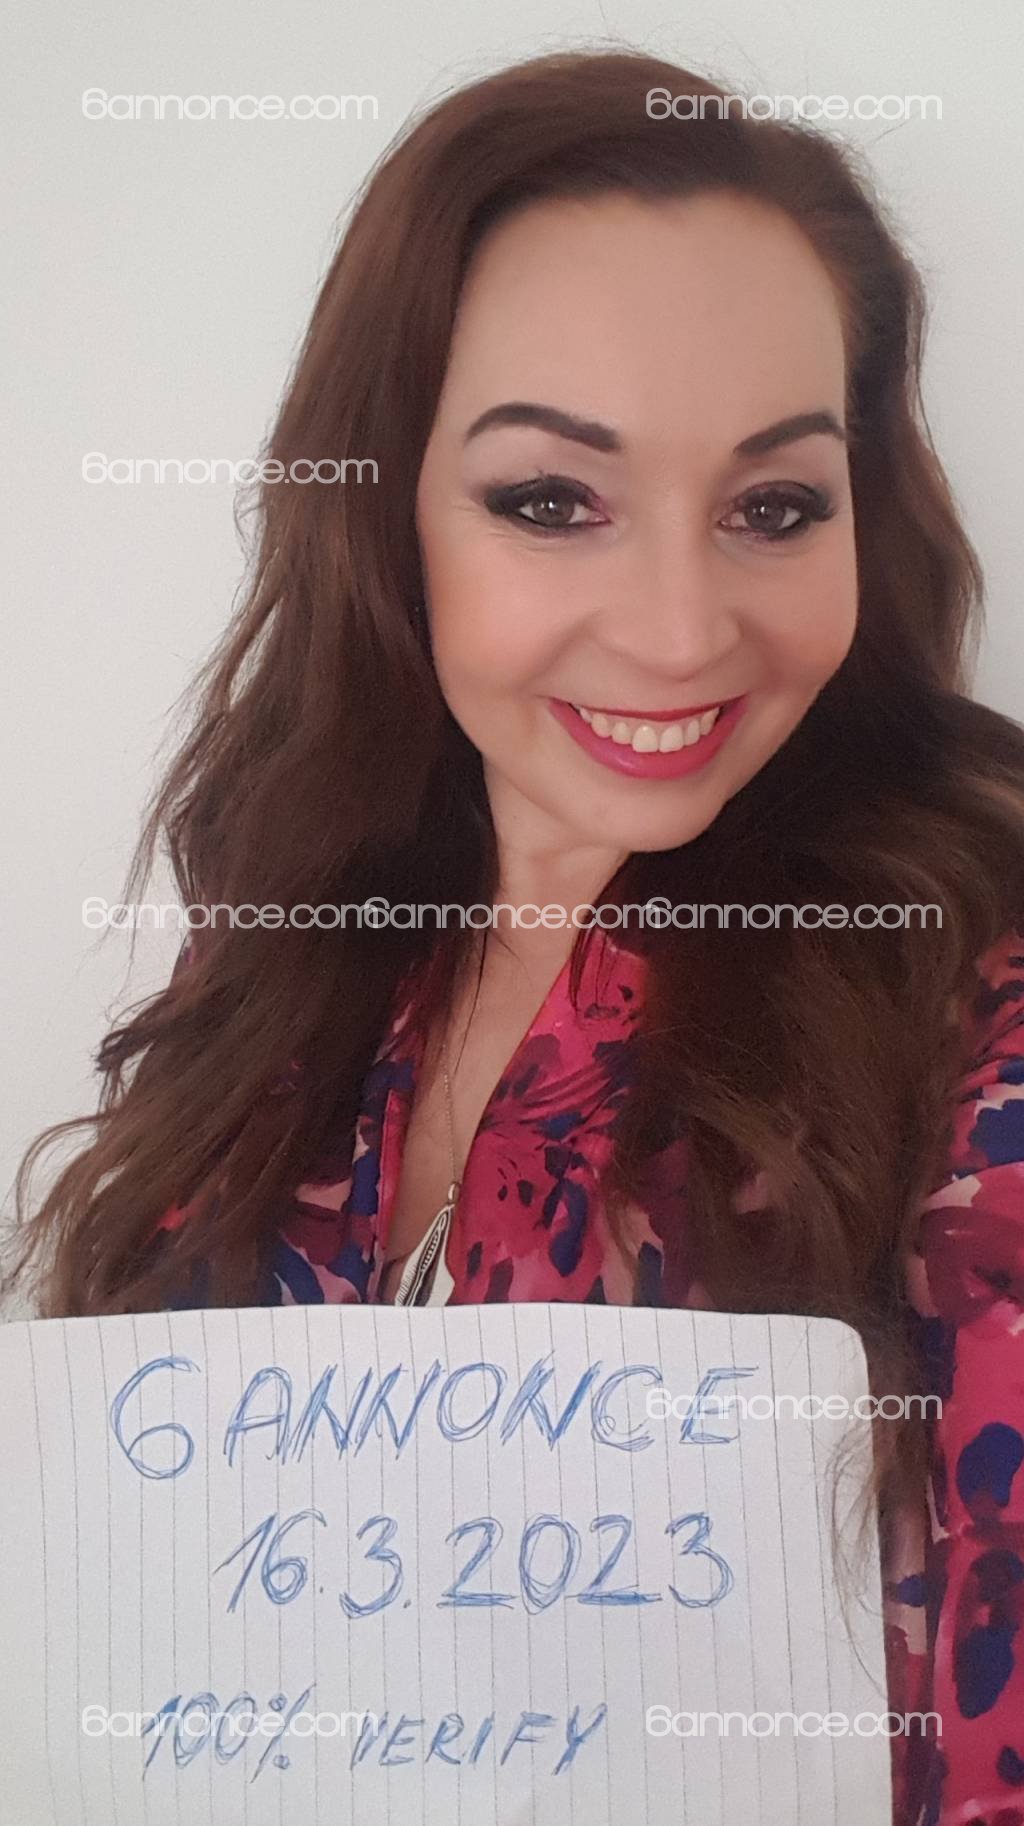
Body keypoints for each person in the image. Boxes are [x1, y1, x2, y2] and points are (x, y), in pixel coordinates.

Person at [8, 48, 1024, 1825]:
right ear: (383, 509)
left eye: (776, 505)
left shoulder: (972, 1010)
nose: (681, 629)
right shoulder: (291, 944)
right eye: (551, 500)